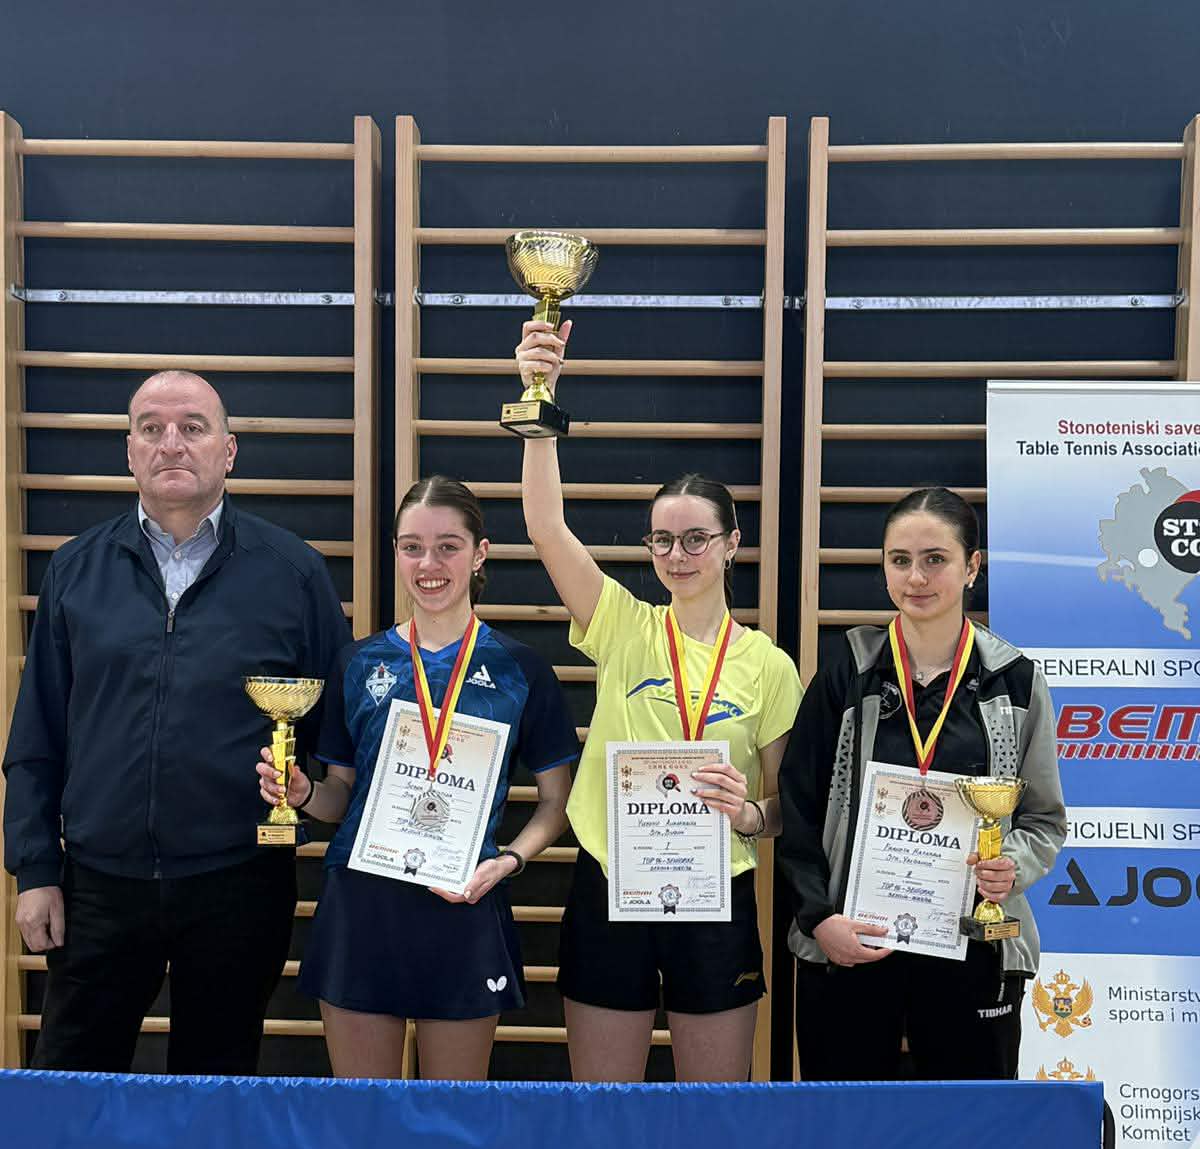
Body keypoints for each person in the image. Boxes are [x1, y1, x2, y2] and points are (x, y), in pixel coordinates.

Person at [3, 369, 351, 1074]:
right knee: (72, 1088)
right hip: (97, 884)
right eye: (151, 428)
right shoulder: (75, 570)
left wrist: (312, 795)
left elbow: (336, 734)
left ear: (228, 450)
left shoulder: (294, 572)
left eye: (193, 427)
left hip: (239, 881)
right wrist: (34, 869)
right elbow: (37, 737)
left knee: (216, 1087)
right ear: (130, 450)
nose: (172, 443)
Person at [515, 319, 802, 1083]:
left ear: (733, 543)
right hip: (612, 885)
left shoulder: (768, 666)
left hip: (715, 893)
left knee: (716, 1113)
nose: (678, 555)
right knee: (604, 1111)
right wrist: (539, 398)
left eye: (696, 538)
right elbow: (545, 527)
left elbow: (787, 808)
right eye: (662, 541)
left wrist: (749, 815)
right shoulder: (623, 626)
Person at [260, 475, 576, 1080]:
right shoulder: (357, 663)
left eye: (448, 547)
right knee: (364, 1116)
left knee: (451, 1118)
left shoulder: (521, 668)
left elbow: (556, 802)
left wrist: (508, 862)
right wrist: (302, 793)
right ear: (397, 553)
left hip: (463, 899)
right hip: (363, 904)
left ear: (480, 554)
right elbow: (340, 797)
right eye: (412, 547)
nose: (429, 564)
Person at [778, 486, 1067, 1080]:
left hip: (973, 944)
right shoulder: (847, 669)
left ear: (972, 567)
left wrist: (1009, 865)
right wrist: (819, 919)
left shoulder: (1013, 679)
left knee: (969, 1125)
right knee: (849, 1123)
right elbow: (799, 805)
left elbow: (1042, 819)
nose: (916, 577)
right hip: (852, 941)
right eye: (900, 559)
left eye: (935, 559)